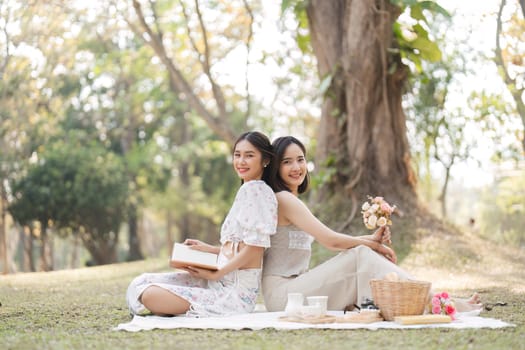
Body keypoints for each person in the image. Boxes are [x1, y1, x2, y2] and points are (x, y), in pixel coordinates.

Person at [262, 136, 482, 313]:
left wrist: (370, 241)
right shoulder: (283, 199)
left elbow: (333, 238)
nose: (296, 166)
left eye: (300, 159)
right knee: (360, 254)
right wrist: (372, 246)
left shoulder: (290, 199)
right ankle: (435, 299)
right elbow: (330, 240)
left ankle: (429, 298)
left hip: (298, 287)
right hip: (283, 296)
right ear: (275, 168)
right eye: (287, 161)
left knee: (361, 254)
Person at [126, 131, 277, 317]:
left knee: (150, 294)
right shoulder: (248, 190)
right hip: (218, 282)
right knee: (144, 282)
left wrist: (217, 273)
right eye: (237, 155)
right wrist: (209, 249)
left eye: (249, 155)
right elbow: (240, 247)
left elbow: (255, 250)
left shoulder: (257, 191)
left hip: (233, 294)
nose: (241, 161)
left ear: (265, 160)